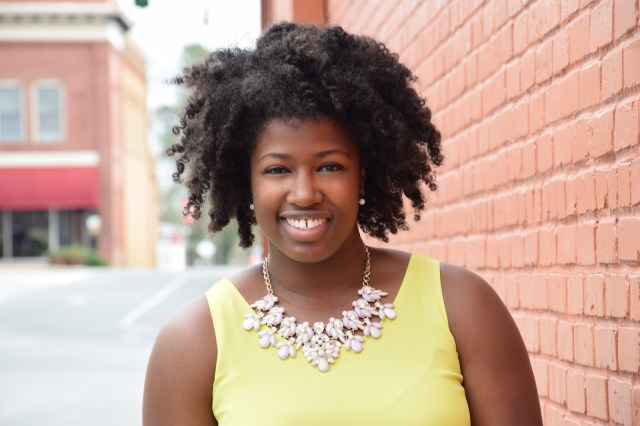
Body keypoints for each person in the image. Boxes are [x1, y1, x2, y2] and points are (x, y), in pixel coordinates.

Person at [143, 22, 543, 425]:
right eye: (278, 169)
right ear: (247, 181)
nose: (305, 194)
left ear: (362, 175)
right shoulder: (194, 342)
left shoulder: (462, 306)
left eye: (330, 166)